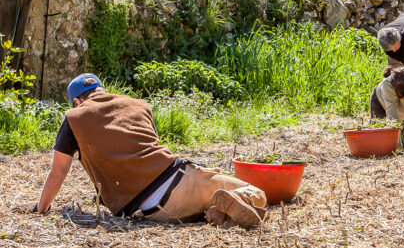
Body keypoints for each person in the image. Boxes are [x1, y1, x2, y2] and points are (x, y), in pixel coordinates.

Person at [21, 74, 267, 228]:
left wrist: (41, 208)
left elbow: (58, 171)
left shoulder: (74, 117)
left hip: (148, 208)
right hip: (179, 178)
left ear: (77, 101)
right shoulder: (138, 105)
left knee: (201, 208)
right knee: (257, 192)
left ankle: (218, 214)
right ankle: (226, 205)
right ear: (102, 91)